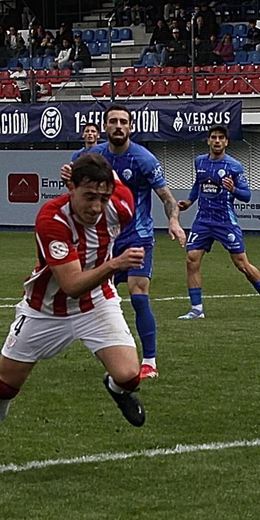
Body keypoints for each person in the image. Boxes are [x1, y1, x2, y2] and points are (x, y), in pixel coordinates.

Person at [0, 152, 148, 471]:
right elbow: (71, 284)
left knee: (130, 376)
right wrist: (115, 264)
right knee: (6, 386)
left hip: (96, 303)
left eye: (103, 197)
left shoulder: (123, 204)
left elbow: (114, 187)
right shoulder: (52, 219)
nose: (96, 207)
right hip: (45, 310)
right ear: (70, 188)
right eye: (88, 197)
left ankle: (114, 388)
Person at [62, 104, 187, 381]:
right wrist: (69, 180)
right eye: (113, 122)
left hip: (137, 236)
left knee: (139, 295)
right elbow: (79, 190)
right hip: (105, 240)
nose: (118, 126)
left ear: (131, 127)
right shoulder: (94, 158)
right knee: (89, 296)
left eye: (123, 122)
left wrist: (174, 221)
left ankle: (150, 360)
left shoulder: (143, 159)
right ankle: (110, 352)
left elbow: (167, 197)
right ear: (105, 127)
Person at [176, 124, 260, 321]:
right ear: (208, 140)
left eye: (221, 138)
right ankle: (197, 309)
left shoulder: (234, 166)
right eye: (213, 137)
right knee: (191, 259)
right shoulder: (200, 162)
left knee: (242, 264)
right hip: (203, 220)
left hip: (225, 221)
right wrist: (189, 201)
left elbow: (246, 196)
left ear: (226, 142)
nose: (217, 141)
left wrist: (233, 190)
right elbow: (198, 185)